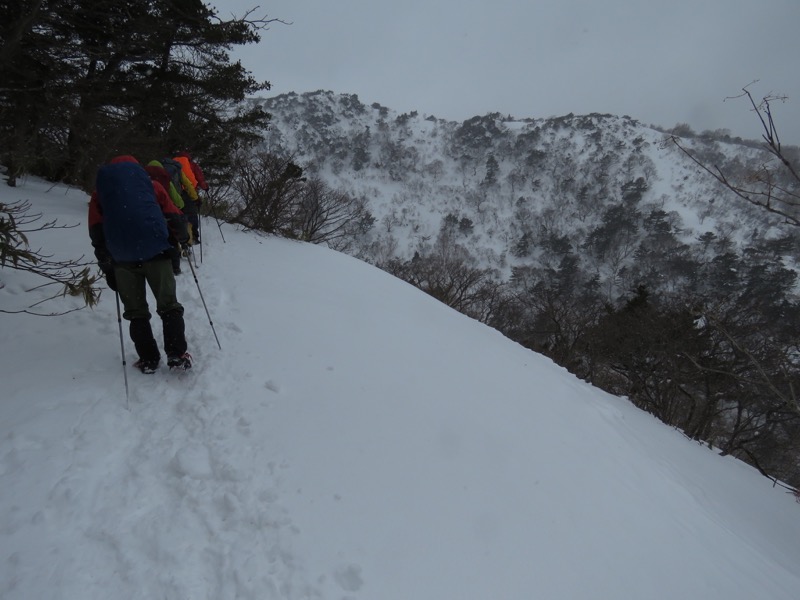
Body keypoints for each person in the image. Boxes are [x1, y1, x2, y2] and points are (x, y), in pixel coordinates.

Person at [88, 155, 192, 373]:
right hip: (156, 252)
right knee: (169, 305)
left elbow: (96, 231)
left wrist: (106, 264)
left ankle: (148, 359)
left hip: (122, 258)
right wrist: (182, 240)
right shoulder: (151, 186)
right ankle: (176, 353)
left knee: (136, 311)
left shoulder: (101, 195)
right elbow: (173, 215)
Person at [144, 160, 186, 275]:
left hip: (147, 216)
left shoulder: (141, 181)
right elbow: (178, 201)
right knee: (171, 240)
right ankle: (175, 267)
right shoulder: (165, 179)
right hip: (165, 214)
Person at [174, 152, 208, 243]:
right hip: (190, 192)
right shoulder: (192, 165)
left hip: (176, 192)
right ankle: (193, 236)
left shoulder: (173, 165)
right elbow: (199, 177)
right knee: (192, 213)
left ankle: (180, 235)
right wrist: (205, 187)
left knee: (179, 213)